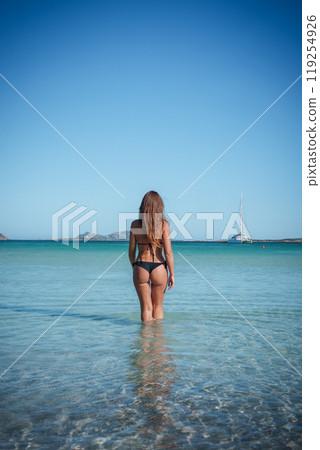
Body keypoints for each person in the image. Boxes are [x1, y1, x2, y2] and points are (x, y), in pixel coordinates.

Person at [128, 191, 175, 321]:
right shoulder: (164, 225)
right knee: (157, 307)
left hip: (141, 265)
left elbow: (131, 251)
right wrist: (172, 274)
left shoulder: (135, 225)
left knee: (146, 309)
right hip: (159, 267)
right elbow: (168, 252)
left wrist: (135, 267)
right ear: (160, 206)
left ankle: (144, 340)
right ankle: (158, 340)